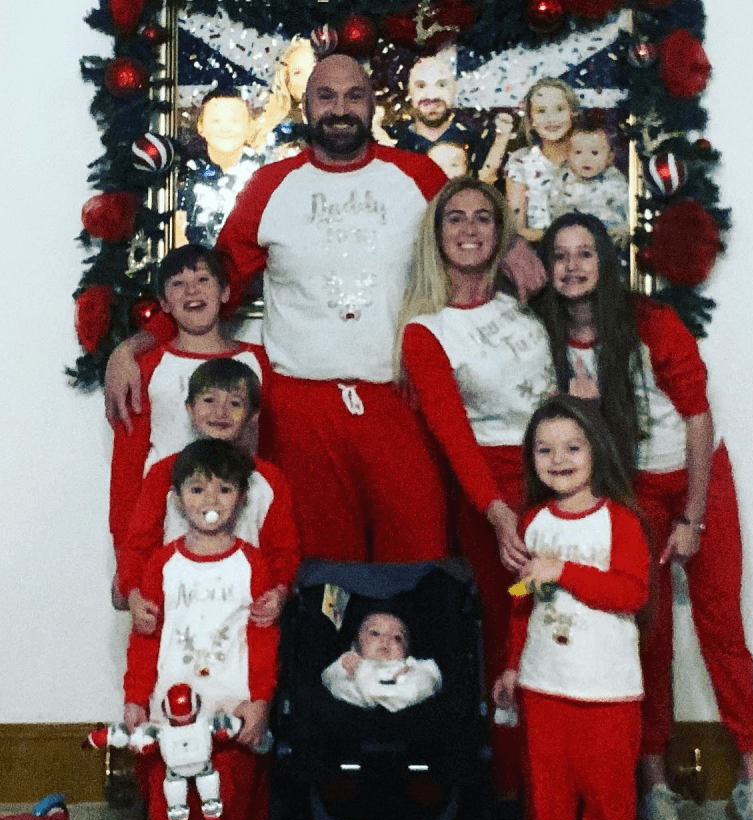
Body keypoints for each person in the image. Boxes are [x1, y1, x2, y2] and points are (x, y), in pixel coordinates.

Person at [104, 54, 544, 564]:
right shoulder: (271, 186)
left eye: (354, 96)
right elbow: (210, 286)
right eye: (326, 97)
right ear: (307, 105)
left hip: (398, 401)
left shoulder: (416, 174)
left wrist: (511, 244)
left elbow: (472, 224)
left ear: (374, 104)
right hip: (300, 410)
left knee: (420, 557)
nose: (340, 109)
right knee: (317, 569)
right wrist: (137, 344)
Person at [535, 211, 753, 820]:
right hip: (634, 490)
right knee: (646, 636)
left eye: (585, 253)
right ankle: (657, 790)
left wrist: (694, 517)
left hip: (697, 481)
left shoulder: (652, 323)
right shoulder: (542, 335)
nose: (572, 266)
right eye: (559, 255)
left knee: (721, 629)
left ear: (606, 262)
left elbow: (698, 420)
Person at [398, 177, 555, 797]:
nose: (469, 229)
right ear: (437, 237)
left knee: (567, 626)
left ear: (501, 232)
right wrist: (498, 515)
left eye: (483, 218)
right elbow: (453, 437)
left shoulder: (528, 306)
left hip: (562, 481)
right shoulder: (426, 330)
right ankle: (511, 795)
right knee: (509, 639)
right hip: (494, 498)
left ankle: (570, 782)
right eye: (455, 219)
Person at [492, 395, 650, 820]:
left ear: (595, 451)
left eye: (572, 447)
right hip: (544, 690)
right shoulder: (533, 522)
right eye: (544, 449)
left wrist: (565, 571)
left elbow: (632, 592)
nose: (558, 459)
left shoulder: (619, 521)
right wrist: (512, 665)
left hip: (607, 695)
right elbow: (520, 602)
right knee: (546, 813)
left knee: (609, 812)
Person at [122, 438, 279, 820]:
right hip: (170, 718)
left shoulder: (252, 564)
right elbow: (145, 640)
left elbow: (264, 639)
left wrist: (260, 702)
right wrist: (133, 700)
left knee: (236, 805)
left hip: (229, 710)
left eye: (224, 489)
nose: (210, 501)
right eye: (197, 489)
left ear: (242, 498)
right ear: (177, 498)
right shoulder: (161, 565)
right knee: (170, 808)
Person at [108, 245, 270, 596]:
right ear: (163, 303)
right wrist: (126, 559)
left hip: (243, 523)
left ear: (225, 291)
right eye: (178, 284)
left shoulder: (258, 363)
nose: (192, 290)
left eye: (202, 279)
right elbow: (127, 465)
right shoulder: (146, 368)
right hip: (169, 525)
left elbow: (276, 457)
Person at [116, 357, 299, 635]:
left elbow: (283, 550)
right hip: (175, 615)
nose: (221, 412)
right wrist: (133, 593)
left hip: (242, 618)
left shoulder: (269, 480)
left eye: (235, 403)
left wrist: (279, 592)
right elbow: (139, 544)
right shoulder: (163, 474)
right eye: (209, 400)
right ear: (189, 408)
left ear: (253, 415)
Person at [390, 51, 516, 185]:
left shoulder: (477, 140)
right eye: (421, 86)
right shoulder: (393, 142)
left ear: (454, 90)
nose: (432, 96)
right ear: (409, 91)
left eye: (442, 85)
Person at [175, 89, 263, 248]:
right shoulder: (188, 175)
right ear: (200, 126)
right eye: (216, 121)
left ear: (249, 126)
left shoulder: (263, 174)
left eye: (235, 121)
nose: (226, 128)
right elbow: (177, 232)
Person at [505, 78, 580, 241]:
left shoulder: (589, 158)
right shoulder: (521, 162)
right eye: (541, 111)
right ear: (530, 120)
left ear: (573, 113)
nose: (551, 119)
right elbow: (516, 230)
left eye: (559, 109)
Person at [322, 611, 441, 712]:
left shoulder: (408, 666)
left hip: (402, 706)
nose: (386, 640)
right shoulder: (352, 662)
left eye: (397, 638)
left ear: (406, 652)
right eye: (375, 633)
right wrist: (343, 669)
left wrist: (407, 676)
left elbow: (428, 681)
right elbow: (330, 679)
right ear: (356, 643)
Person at [549, 123, 629, 245]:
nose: (586, 159)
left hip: (609, 237)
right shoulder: (562, 180)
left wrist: (623, 231)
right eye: (578, 152)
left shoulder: (616, 181)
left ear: (610, 157)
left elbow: (627, 210)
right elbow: (555, 212)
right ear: (567, 156)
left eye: (595, 153)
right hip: (573, 240)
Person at [250, 36, 315, 160]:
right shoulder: (275, 134)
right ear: (287, 83)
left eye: (314, 66)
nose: (309, 77)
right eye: (297, 72)